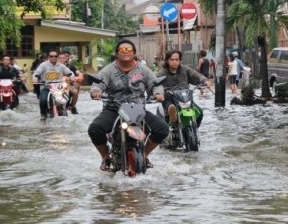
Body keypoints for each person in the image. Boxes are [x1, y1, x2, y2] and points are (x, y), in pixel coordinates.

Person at [88, 39, 168, 171]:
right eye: (122, 50)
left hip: (136, 109)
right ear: (117, 53)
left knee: (162, 129)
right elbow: (98, 84)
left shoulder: (143, 69)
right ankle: (105, 157)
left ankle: (145, 154)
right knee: (94, 129)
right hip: (113, 109)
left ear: (134, 53)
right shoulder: (108, 70)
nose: (125, 53)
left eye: (129, 50)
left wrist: (158, 94)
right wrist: (96, 91)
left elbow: (155, 84)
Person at [156, 50, 211, 130]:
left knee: (200, 113)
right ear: (167, 61)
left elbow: (196, 75)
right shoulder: (162, 73)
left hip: (185, 98)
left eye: (176, 59)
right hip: (170, 98)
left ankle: (194, 131)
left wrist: (205, 81)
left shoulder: (185, 70)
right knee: (169, 104)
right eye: (172, 60)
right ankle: (172, 117)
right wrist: (157, 93)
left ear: (180, 60)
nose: (174, 62)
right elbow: (154, 83)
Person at [33, 50, 74, 121]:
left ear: (57, 57)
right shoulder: (43, 65)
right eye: (51, 56)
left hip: (58, 87)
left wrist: (72, 78)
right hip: (47, 86)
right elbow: (36, 73)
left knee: (64, 99)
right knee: (43, 100)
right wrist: (35, 79)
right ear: (48, 57)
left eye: (55, 56)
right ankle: (43, 114)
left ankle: (66, 109)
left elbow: (70, 73)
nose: (53, 58)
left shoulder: (61, 66)